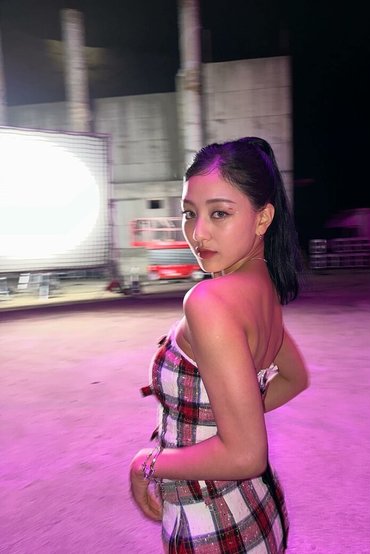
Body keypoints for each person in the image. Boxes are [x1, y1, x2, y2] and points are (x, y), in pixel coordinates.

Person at [130, 137, 309, 553]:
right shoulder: (263, 290)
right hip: (257, 510)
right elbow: (296, 378)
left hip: (211, 524)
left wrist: (146, 464)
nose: (198, 233)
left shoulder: (211, 301)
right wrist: (227, 414)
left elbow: (246, 455)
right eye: (189, 213)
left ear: (262, 219)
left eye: (219, 213)